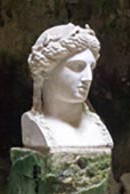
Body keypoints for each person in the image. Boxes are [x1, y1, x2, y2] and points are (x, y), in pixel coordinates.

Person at [21, 23, 113, 151]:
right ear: (46, 71)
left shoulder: (96, 128)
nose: (88, 78)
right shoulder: (35, 126)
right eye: (77, 66)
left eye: (91, 67)